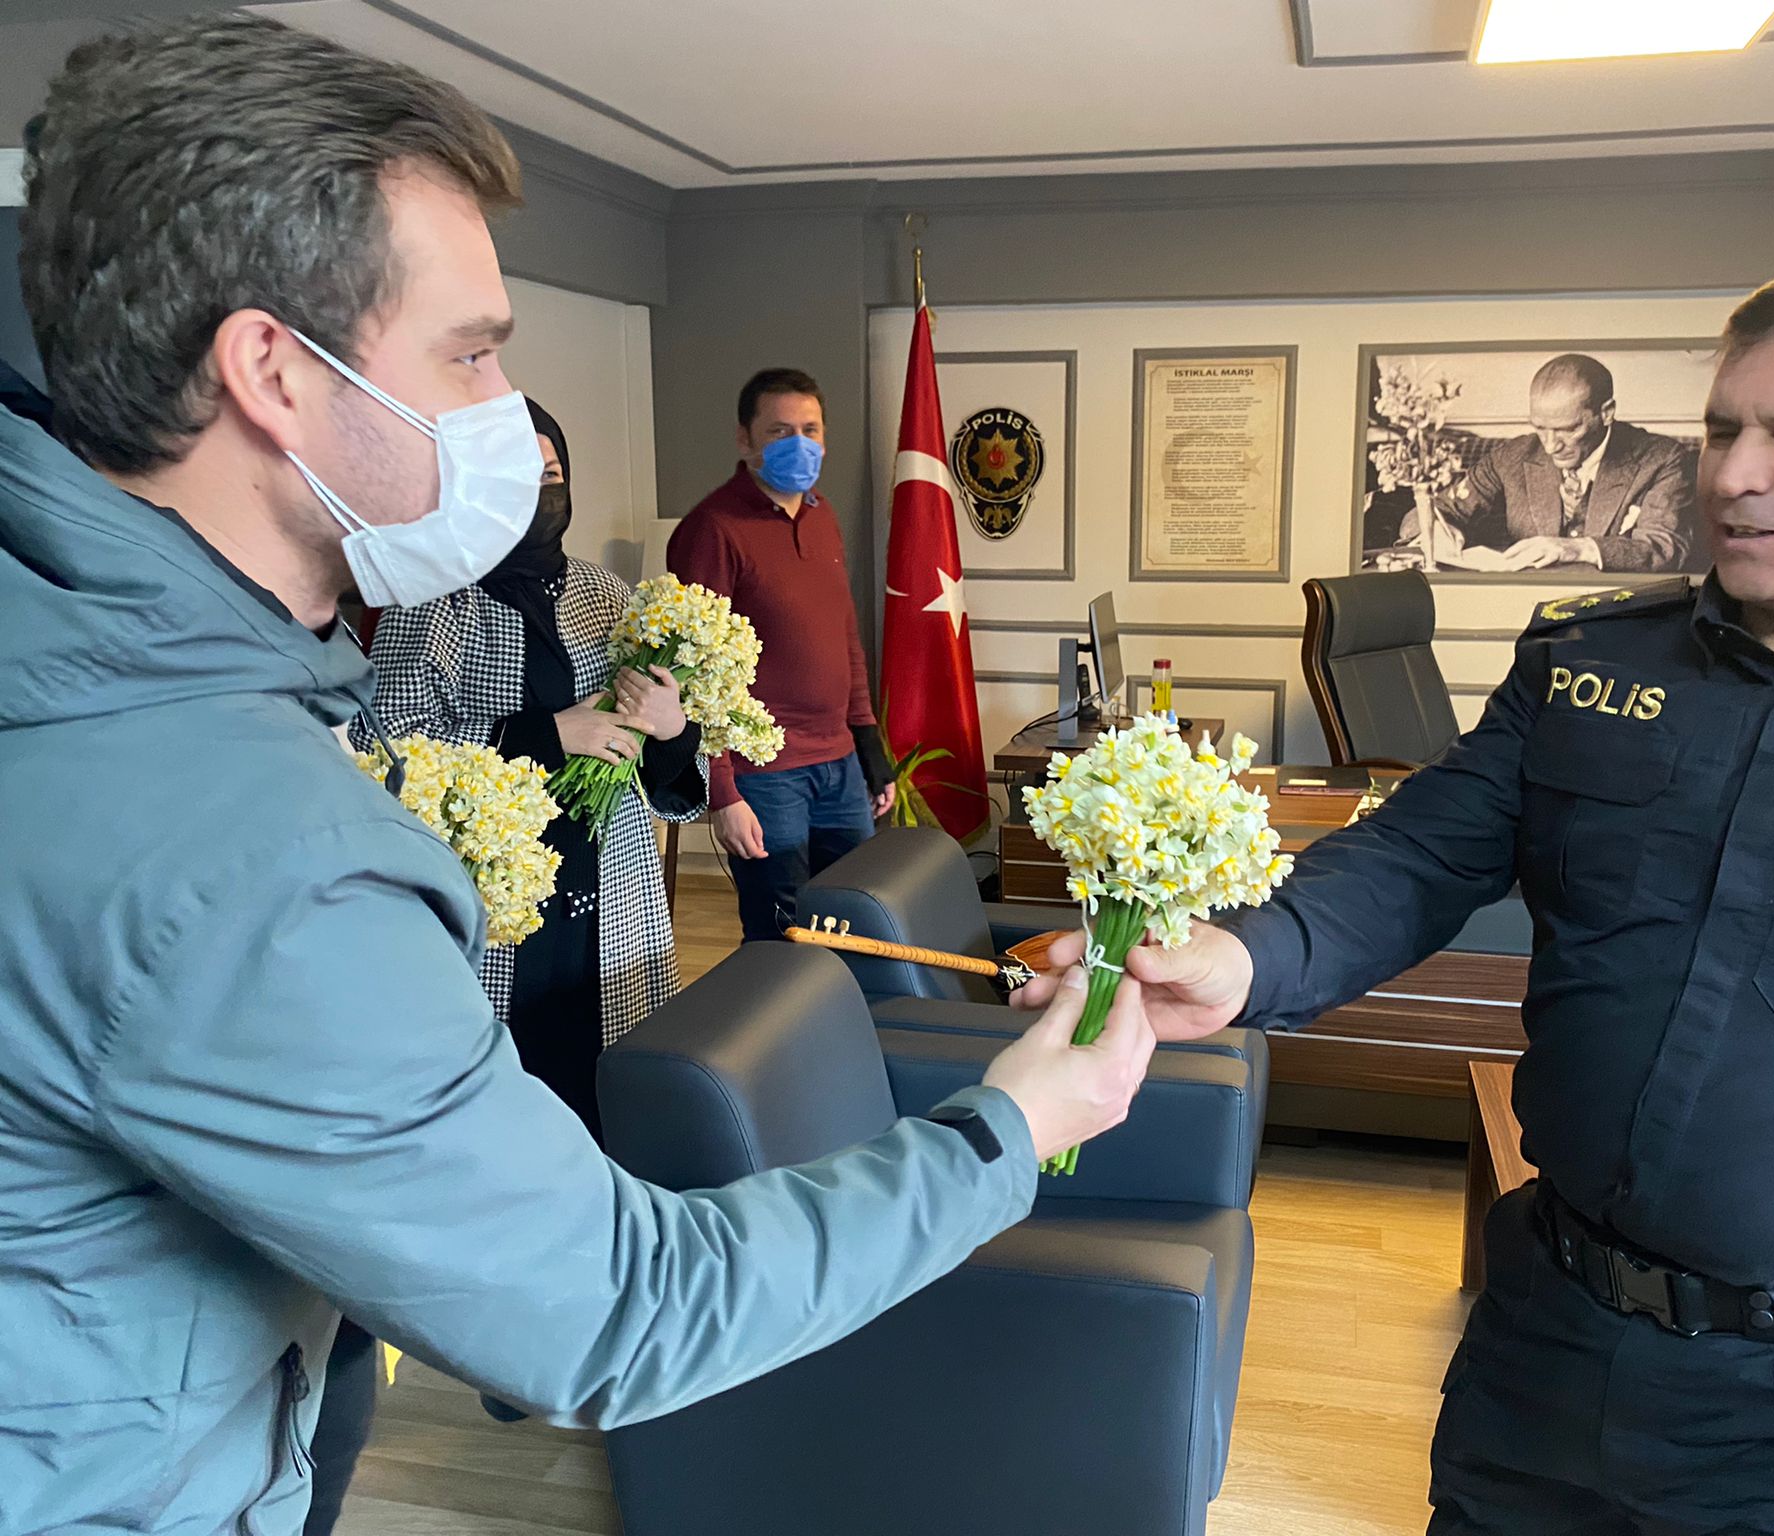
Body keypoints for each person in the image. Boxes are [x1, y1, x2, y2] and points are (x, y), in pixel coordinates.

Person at [0, 17, 1154, 1535]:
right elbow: (616, 1309)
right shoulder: (254, 848)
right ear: (272, 370)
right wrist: (1007, 1129)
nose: (507, 416)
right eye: (470, 353)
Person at [1020, 246, 1774, 1535]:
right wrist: (1244, 957)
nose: (1732, 474)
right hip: (1548, 1353)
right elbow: (1418, 851)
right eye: (1719, 429)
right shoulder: (1589, 659)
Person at [352, 399, 704, 1140]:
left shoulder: (607, 595)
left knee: (616, 1095)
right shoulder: (434, 603)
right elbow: (381, 746)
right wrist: (545, 735)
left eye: (553, 475)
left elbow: (663, 771)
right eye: (520, 476)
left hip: (614, 888)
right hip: (502, 903)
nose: (543, 493)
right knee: (515, 1109)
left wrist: (673, 727)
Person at [666, 370, 896, 941]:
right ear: (744, 438)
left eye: (809, 429)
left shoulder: (823, 515)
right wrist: (722, 793)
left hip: (840, 765)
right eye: (779, 430)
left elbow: (845, 636)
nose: (799, 443)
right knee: (784, 936)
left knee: (859, 921)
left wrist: (869, 745)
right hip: (764, 775)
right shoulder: (712, 529)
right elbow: (696, 675)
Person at [1408, 352, 1698, 573]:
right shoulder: (1511, 456)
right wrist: (1438, 534)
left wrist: (1578, 548)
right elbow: (1428, 513)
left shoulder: (1663, 458)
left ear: (1606, 412)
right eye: (1540, 428)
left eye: (1568, 429)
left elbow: (1665, 547)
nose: (1549, 446)